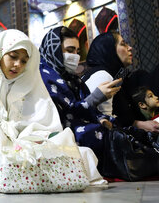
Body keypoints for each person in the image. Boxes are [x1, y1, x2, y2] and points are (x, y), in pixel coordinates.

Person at [0, 29, 105, 186]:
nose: (18, 64)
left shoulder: (31, 83)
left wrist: (28, 139)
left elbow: (44, 123)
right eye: (13, 57)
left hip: (26, 141)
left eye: (24, 61)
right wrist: (3, 137)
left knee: (81, 152)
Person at [39, 26, 120, 160]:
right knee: (91, 134)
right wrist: (95, 98)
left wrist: (102, 118)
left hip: (77, 123)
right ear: (54, 50)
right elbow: (64, 114)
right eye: (69, 50)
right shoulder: (44, 76)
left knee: (115, 127)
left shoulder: (72, 79)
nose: (75, 56)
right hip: (57, 130)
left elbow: (83, 107)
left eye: (77, 51)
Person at [82, 32, 159, 133]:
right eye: (123, 44)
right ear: (109, 50)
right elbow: (105, 123)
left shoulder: (113, 75)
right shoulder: (102, 75)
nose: (130, 48)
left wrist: (139, 124)